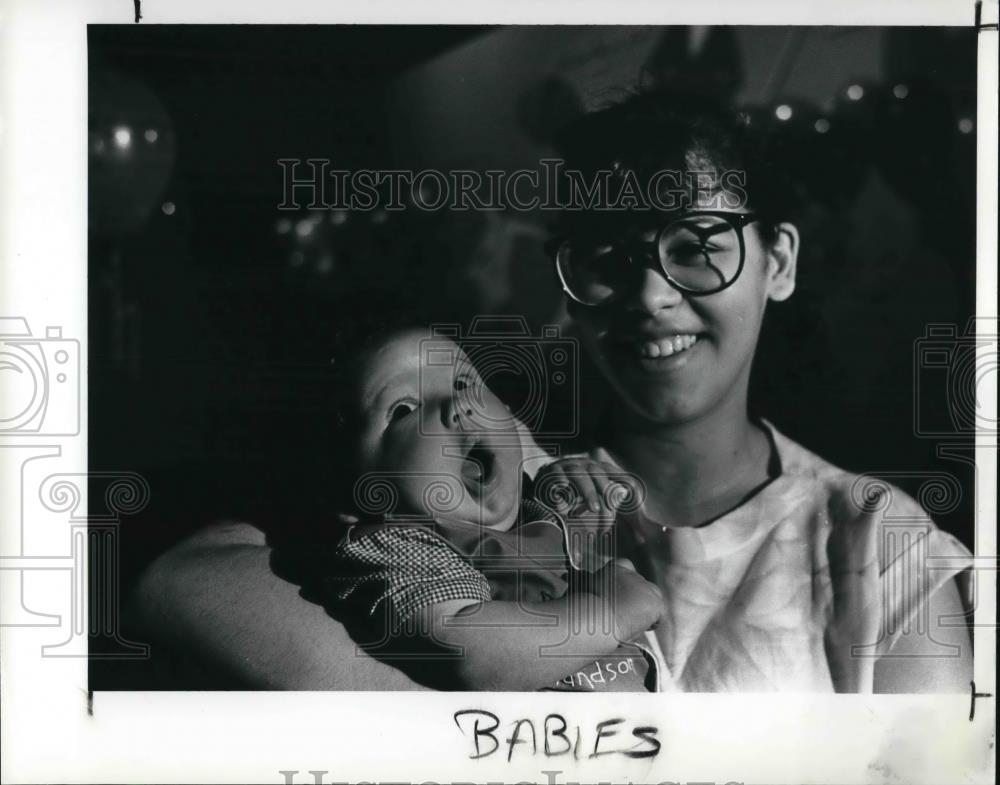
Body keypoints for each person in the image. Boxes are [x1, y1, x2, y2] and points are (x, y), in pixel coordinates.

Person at [134, 90, 973, 692]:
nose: (651, 295)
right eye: (609, 259)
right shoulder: (507, 477)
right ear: (568, 289)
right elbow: (181, 585)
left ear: (778, 262)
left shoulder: (874, 539)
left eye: (696, 245)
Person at [309, 322, 662, 691]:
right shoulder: (399, 548)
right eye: (404, 410)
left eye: (464, 384)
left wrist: (576, 499)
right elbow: (469, 650)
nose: (458, 405)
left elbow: (567, 559)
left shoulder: (533, 508)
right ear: (351, 493)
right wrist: (608, 615)